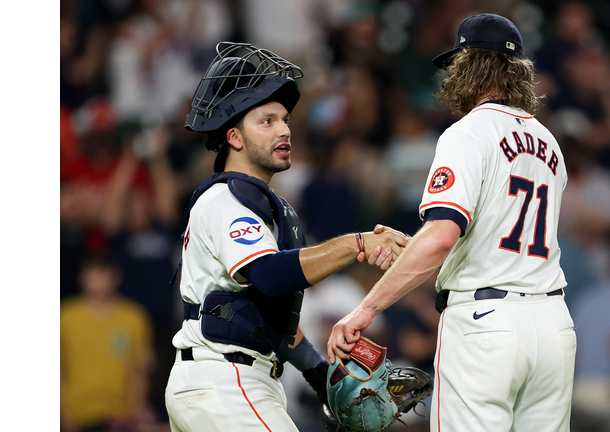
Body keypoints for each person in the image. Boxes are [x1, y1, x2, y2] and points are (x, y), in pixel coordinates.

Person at [328, 13, 576, 432]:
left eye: (457, 63)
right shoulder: (549, 142)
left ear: (471, 65)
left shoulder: (467, 132)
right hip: (553, 324)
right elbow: (494, 240)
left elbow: (444, 235)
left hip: (486, 326)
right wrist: (413, 243)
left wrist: (365, 309)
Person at [163, 41, 409, 432]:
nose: (283, 130)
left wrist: (319, 374)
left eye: (285, 120)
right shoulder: (226, 199)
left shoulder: (260, 204)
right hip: (226, 382)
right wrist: (358, 243)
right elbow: (269, 274)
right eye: (267, 121)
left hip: (226, 381)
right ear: (234, 138)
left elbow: (265, 314)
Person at [60, 254, 155, 432]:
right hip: (77, 414)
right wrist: (63, 416)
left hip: (120, 417)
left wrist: (138, 409)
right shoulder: (65, 316)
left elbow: (139, 369)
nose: (94, 280)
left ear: (115, 277)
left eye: (101, 273)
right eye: (89, 273)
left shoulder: (133, 317)